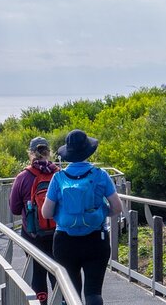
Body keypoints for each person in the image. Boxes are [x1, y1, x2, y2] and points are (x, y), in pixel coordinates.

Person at [42, 129, 123, 305]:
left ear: (68, 154)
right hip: (95, 240)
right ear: (88, 151)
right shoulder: (101, 175)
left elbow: (46, 213)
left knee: (70, 293)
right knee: (93, 292)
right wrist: (100, 213)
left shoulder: (58, 178)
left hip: (65, 241)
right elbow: (117, 208)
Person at [8, 136, 60, 305]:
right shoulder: (58, 174)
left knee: (37, 273)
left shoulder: (22, 177)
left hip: (32, 234)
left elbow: (15, 209)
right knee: (59, 272)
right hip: (58, 232)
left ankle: (41, 302)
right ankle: (62, 300)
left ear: (31, 153)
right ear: (48, 152)